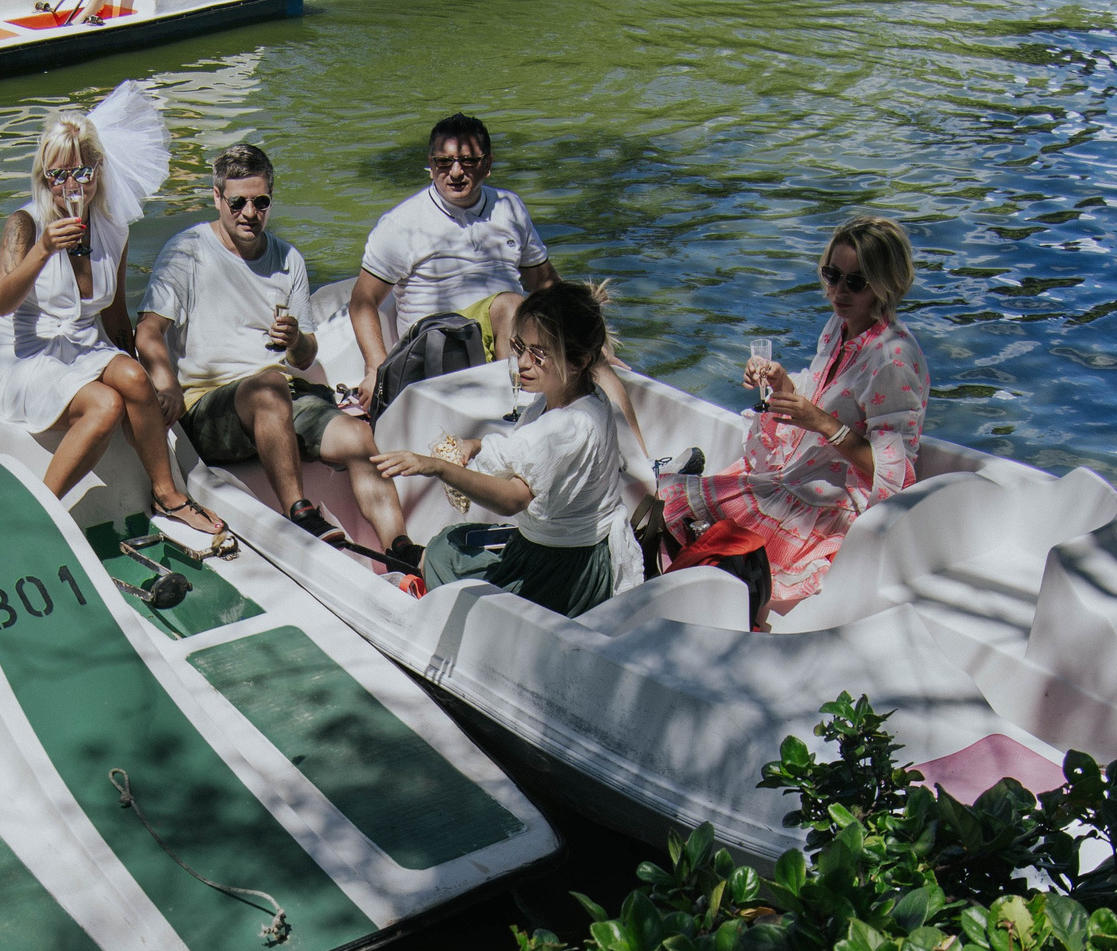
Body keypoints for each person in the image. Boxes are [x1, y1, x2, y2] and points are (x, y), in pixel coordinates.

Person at [137, 143, 415, 562]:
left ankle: (402, 549)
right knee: (268, 387)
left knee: (358, 436)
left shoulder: (288, 259)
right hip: (208, 406)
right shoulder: (186, 253)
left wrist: (296, 341)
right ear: (217, 198)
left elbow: (305, 357)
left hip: (282, 395)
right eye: (238, 202)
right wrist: (165, 382)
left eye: (260, 201)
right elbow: (148, 332)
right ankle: (301, 515)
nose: (250, 212)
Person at [659, 215, 931, 623]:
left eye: (855, 282)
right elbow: (824, 397)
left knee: (720, 545)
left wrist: (823, 423)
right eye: (832, 274)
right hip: (804, 472)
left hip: (835, 500)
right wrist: (782, 382)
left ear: (884, 283)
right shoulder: (840, 326)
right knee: (675, 513)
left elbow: (896, 472)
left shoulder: (892, 359)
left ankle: (731, 614)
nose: (838, 290)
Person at [0, 84, 225, 534]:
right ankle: (39, 514)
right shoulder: (25, 224)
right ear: (43, 177)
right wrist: (43, 250)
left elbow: (113, 313)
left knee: (132, 381)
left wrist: (149, 383)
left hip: (82, 343)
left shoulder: (113, 228)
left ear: (99, 170)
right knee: (106, 404)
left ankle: (168, 495)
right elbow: (2, 302)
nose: (71, 187)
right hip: (24, 353)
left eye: (82, 173)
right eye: (58, 176)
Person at [349, 114, 647, 456]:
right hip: (441, 347)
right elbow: (362, 301)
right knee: (509, 305)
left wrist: (588, 338)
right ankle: (524, 440)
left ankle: (643, 463)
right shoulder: (402, 225)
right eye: (444, 162)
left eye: (468, 161)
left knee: (592, 361)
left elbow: (544, 282)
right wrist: (376, 368)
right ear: (430, 165)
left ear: (487, 164)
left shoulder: (509, 208)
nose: (456, 172)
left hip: (513, 337)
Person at [369, 282, 625, 618]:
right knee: (452, 539)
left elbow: (512, 500)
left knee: (441, 554)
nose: (522, 362)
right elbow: (520, 449)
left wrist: (437, 467)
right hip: (577, 551)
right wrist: (473, 446)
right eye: (520, 347)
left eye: (539, 354)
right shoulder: (575, 398)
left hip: (563, 571)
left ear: (578, 362)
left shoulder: (568, 427)